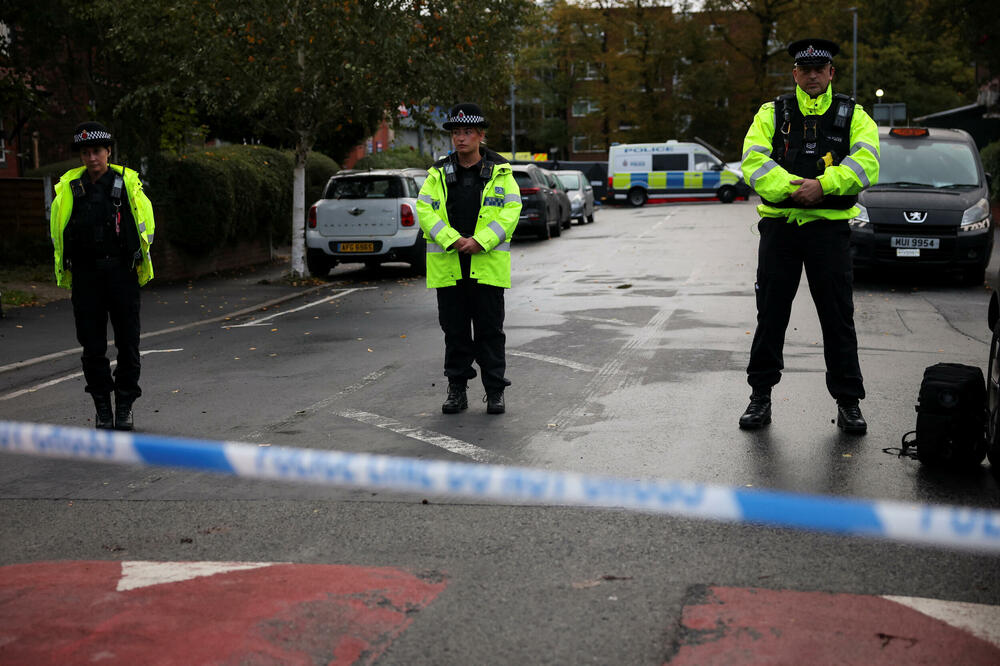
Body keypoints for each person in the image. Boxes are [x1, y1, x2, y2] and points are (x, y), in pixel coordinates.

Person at [738, 39, 879, 434]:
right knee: (771, 315)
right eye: (806, 69)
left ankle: (849, 403)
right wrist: (794, 188)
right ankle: (759, 398)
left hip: (828, 231)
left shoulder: (855, 115)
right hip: (781, 229)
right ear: (795, 73)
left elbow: (866, 161)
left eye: (821, 68)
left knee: (838, 318)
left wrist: (824, 185)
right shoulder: (772, 112)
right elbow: (753, 159)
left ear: (831, 72)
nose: (813, 75)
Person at [415, 103, 522, 414]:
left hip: (485, 267)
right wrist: (452, 240)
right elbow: (425, 211)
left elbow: (510, 213)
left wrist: (480, 241)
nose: (460, 138)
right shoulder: (437, 173)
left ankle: (495, 391)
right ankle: (457, 391)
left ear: (480, 135)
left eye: (467, 132)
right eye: (456, 133)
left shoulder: (501, 172)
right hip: (450, 267)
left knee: (490, 332)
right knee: (455, 333)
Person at [50, 121, 155, 430]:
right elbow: (58, 232)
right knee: (92, 348)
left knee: (128, 344)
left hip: (121, 274)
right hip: (86, 277)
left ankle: (124, 405)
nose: (92, 158)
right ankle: (102, 408)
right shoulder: (69, 189)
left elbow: (146, 226)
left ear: (108, 151)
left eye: (97, 151)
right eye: (85, 152)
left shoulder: (128, 186)